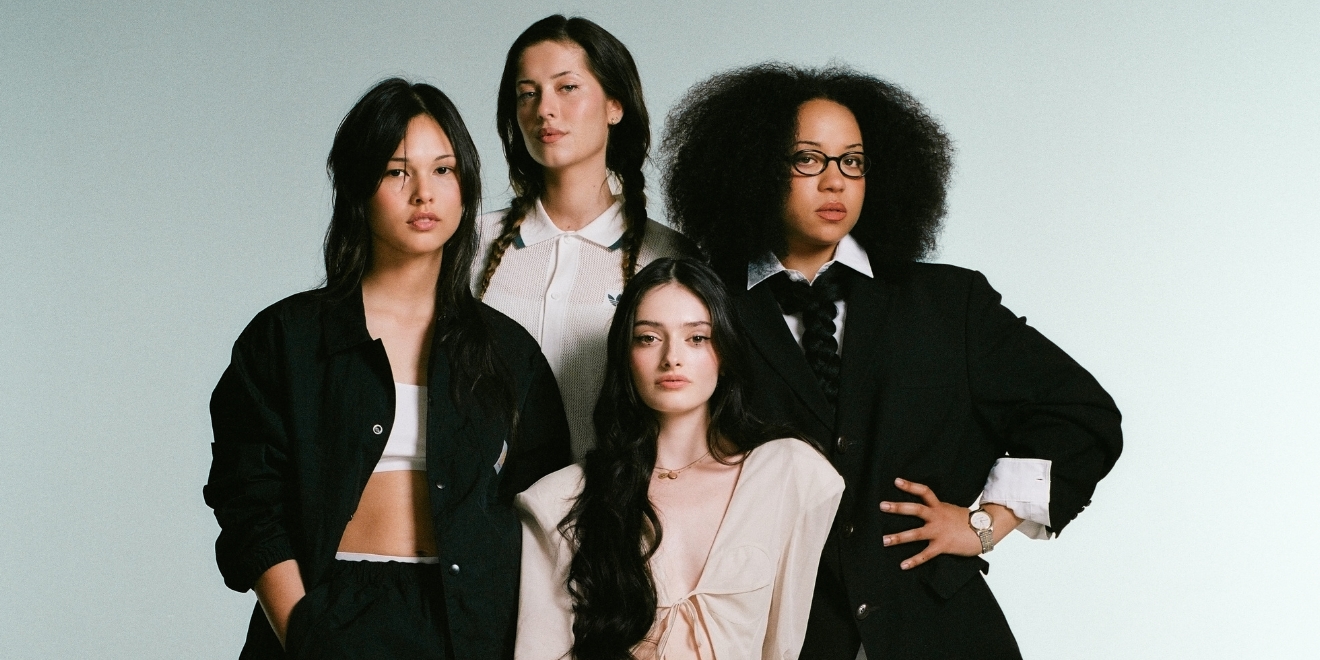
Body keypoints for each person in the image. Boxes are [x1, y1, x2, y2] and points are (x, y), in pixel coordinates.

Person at [662, 64, 1123, 659]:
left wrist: (986, 523)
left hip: (940, 635)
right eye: (808, 159)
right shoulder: (699, 310)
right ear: (753, 168)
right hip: (774, 637)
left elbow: (1082, 415)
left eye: (852, 162)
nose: (835, 182)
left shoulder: (947, 303)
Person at [204, 78, 572, 659]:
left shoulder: (509, 353)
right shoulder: (286, 339)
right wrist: (304, 633)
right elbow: (249, 500)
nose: (424, 193)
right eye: (397, 172)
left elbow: (547, 512)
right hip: (329, 608)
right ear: (358, 187)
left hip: (470, 625)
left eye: (443, 170)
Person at [515, 258, 845, 660]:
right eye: (648, 338)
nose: (672, 357)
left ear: (724, 351)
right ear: (625, 355)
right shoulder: (559, 499)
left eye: (697, 338)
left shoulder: (787, 473)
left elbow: (789, 637)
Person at [474, 15, 690, 461]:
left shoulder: (668, 257)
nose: (544, 109)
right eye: (527, 93)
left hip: (619, 498)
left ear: (615, 105)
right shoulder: (469, 244)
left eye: (567, 87)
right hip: (485, 503)